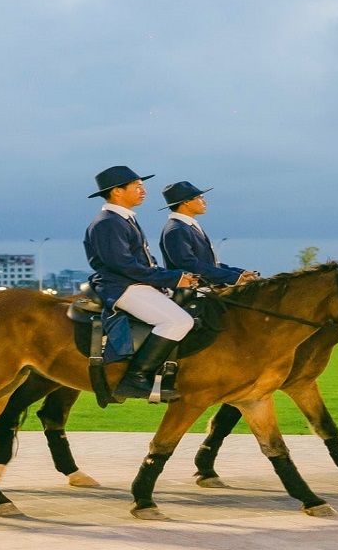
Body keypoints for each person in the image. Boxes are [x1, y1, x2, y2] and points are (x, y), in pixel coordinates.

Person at [83, 165, 199, 402]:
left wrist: (172, 279)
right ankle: (136, 378)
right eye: (137, 186)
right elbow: (123, 265)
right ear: (117, 191)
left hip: (135, 284)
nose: (144, 191)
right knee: (179, 320)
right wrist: (171, 278)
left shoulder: (124, 219)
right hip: (121, 286)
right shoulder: (107, 223)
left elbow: (144, 262)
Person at [158, 181, 256, 289]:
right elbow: (189, 264)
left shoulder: (187, 226)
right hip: (195, 291)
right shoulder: (176, 229)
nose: (205, 202)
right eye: (200, 198)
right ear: (186, 202)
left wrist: (239, 273)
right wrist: (234, 277)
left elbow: (208, 263)